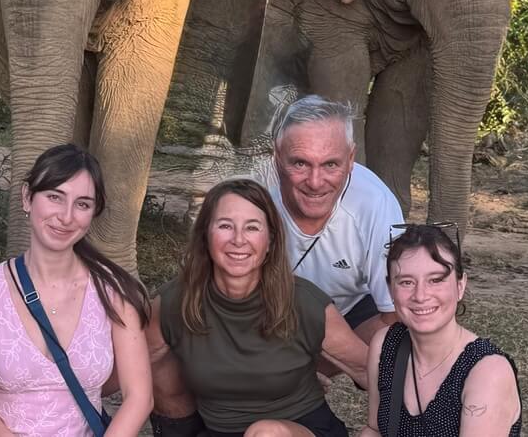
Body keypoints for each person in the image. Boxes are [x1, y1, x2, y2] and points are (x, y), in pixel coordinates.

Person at [148, 178, 369, 437]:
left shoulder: (304, 301)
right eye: (225, 226)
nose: (238, 240)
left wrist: (378, 427)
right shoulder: (175, 301)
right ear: (205, 235)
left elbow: (370, 371)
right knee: (157, 366)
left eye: (252, 228)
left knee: (265, 433)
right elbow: (127, 370)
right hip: (219, 430)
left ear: (270, 241)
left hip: (297, 429)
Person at [0, 144, 152, 436]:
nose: (66, 216)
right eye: (55, 197)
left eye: (82, 204)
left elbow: (139, 397)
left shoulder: (114, 292)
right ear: (28, 197)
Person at [359, 224, 522, 436]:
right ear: (390, 289)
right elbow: (375, 430)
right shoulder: (385, 345)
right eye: (406, 282)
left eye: (436, 280)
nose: (420, 295)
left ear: (460, 286)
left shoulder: (487, 372)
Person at [267, 96, 405, 345]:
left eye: (330, 164)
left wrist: (308, 370)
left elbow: (394, 314)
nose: (315, 182)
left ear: (351, 158)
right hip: (270, 307)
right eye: (300, 163)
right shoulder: (254, 194)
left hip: (351, 308)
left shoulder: (375, 203)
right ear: (277, 155)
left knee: (401, 339)